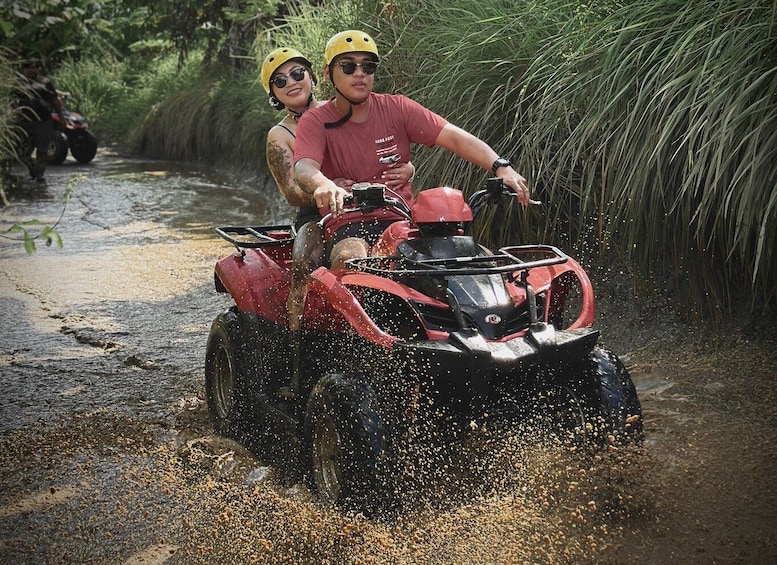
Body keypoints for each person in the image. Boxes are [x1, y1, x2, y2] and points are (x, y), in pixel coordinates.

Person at [294, 30, 531, 270]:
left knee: (479, 258)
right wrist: (323, 184)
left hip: (404, 221)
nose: (360, 74)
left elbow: (455, 137)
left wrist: (502, 167)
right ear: (327, 73)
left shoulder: (397, 108)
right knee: (349, 258)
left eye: (368, 67)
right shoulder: (315, 120)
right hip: (349, 224)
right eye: (348, 67)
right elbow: (304, 167)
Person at [261, 46, 415, 396]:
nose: (291, 83)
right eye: (280, 81)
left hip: (370, 209)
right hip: (316, 215)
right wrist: (326, 190)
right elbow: (290, 192)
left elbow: (380, 152)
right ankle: (297, 364)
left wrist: (409, 168)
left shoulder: (343, 110)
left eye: (298, 73)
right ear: (273, 93)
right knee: (304, 263)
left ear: (314, 75)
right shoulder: (279, 136)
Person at [15, 58, 58, 182]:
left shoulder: (45, 82)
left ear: (38, 69)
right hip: (25, 120)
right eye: (28, 68)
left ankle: (40, 174)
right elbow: (12, 99)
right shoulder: (19, 84)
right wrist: (15, 110)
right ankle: (32, 169)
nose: (31, 70)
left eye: (34, 67)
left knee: (42, 149)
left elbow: (55, 100)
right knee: (24, 151)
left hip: (44, 120)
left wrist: (60, 117)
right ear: (24, 70)